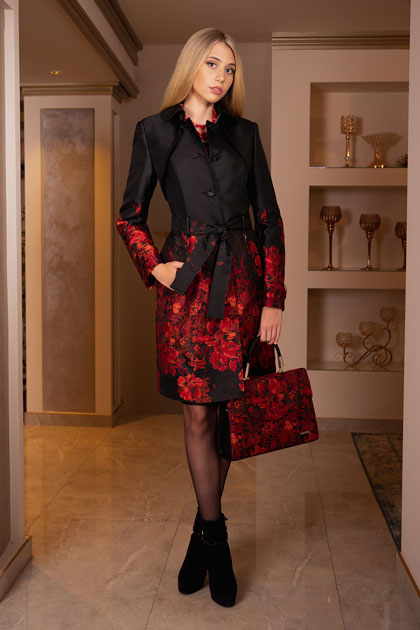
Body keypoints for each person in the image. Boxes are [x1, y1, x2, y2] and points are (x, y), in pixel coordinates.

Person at [115, 27, 286, 608]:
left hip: (241, 291)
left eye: (229, 69)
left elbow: (269, 219)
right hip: (186, 294)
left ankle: (201, 537)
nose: (220, 77)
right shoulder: (154, 131)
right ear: (191, 65)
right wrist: (154, 265)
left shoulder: (245, 134)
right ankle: (218, 541)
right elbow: (130, 215)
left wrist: (274, 298)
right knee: (197, 415)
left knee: (228, 414)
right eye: (212, 64)